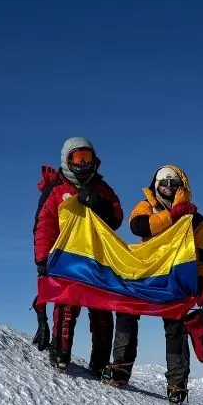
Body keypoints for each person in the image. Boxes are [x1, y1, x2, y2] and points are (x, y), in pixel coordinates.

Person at [101, 164, 203, 404]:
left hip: (177, 275)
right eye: (163, 182)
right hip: (147, 271)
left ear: (182, 186)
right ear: (156, 184)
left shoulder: (196, 219)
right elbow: (138, 225)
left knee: (175, 325)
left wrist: (202, 282)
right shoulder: (147, 206)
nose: (168, 187)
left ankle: (177, 384)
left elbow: (201, 253)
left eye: (173, 183)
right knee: (126, 310)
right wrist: (174, 215)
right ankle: (120, 368)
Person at [33, 137, 125, 373]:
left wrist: (101, 205)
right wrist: (42, 259)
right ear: (67, 160)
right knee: (65, 306)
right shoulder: (56, 191)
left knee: (102, 308)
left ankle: (101, 362)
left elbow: (116, 217)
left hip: (97, 259)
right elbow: (45, 225)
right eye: (77, 157)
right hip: (67, 259)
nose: (83, 163)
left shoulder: (102, 188)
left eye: (87, 157)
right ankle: (60, 352)